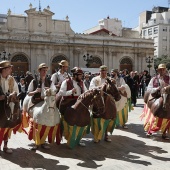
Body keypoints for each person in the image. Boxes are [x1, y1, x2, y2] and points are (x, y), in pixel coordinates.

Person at [27, 63, 56, 149]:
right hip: (35, 102)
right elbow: (28, 93)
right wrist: (35, 91)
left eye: (46, 71)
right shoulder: (34, 81)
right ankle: (36, 142)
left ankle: (43, 141)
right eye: (43, 70)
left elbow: (54, 91)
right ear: (39, 71)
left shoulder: (49, 81)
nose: (45, 72)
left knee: (48, 120)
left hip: (45, 102)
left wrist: (50, 90)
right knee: (37, 123)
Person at [59, 67, 87, 146]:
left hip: (79, 102)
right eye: (80, 75)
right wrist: (71, 91)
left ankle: (78, 138)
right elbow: (61, 93)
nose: (81, 77)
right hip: (68, 102)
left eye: (81, 75)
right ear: (75, 75)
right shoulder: (66, 82)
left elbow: (86, 91)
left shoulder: (82, 82)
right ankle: (69, 137)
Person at [143, 64, 170, 140]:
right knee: (154, 111)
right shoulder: (154, 79)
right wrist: (157, 88)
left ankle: (164, 132)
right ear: (158, 71)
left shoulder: (169, 78)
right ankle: (150, 130)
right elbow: (149, 89)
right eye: (160, 70)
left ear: (165, 70)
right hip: (156, 96)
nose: (162, 71)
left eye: (163, 69)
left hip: (167, 96)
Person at [0, 60, 19, 153]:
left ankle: (5, 146)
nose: (11, 69)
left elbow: (16, 90)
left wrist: (13, 94)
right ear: (5, 69)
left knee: (7, 126)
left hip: (8, 107)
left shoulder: (11, 79)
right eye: (9, 68)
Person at [89, 65, 112, 142]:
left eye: (105, 72)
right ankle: (96, 136)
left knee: (106, 118)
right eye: (102, 72)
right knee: (96, 118)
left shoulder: (109, 79)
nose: (104, 73)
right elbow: (91, 87)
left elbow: (113, 88)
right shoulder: (95, 79)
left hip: (107, 101)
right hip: (98, 101)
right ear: (100, 72)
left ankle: (106, 135)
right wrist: (99, 88)